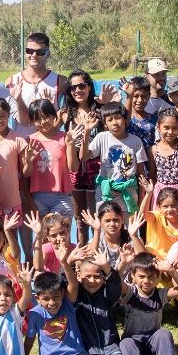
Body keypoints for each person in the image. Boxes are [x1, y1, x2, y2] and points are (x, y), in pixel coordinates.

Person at [67, 247, 153, 355]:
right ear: (79, 276)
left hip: (110, 343)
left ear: (103, 278)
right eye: (88, 276)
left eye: (97, 276)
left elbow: (115, 283)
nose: (92, 280)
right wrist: (69, 262)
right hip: (88, 349)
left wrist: (107, 267)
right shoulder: (76, 297)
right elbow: (65, 283)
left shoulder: (107, 295)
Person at [26, 269, 111, 355]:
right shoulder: (35, 314)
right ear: (37, 299)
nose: (52, 302)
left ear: (63, 294)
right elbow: (29, 338)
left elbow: (73, 284)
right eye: (46, 299)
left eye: (56, 297)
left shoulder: (68, 305)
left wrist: (65, 262)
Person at [117, 254, 178, 355]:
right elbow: (115, 282)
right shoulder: (130, 293)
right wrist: (123, 264)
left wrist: (171, 271)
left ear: (158, 276)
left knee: (163, 333)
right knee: (125, 343)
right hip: (134, 344)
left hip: (154, 344)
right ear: (133, 276)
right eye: (141, 276)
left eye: (151, 276)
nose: (146, 281)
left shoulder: (160, 294)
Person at [75, 102, 148, 213]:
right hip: (105, 193)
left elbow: (141, 172)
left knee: (129, 229)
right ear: (105, 124)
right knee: (107, 226)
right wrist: (87, 131)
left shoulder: (135, 141)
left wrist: (141, 201)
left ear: (125, 120)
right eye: (110, 120)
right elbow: (83, 157)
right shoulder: (102, 137)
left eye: (118, 118)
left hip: (128, 194)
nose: (114, 123)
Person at [59, 69, 105, 236]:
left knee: (95, 216)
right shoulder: (66, 113)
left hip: (96, 170)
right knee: (79, 218)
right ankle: (82, 253)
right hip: (76, 171)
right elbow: (47, 125)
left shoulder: (99, 111)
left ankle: (98, 252)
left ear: (89, 87)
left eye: (81, 86)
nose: (77, 90)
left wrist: (107, 103)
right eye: (73, 88)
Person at [0, 97, 30, 258]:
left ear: (9, 115)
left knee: (11, 241)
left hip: (11, 197)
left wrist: (29, 161)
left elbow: (25, 172)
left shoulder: (18, 140)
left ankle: (13, 275)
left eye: (3, 116)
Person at [25, 98, 78, 219]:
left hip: (61, 196)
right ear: (32, 121)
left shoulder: (65, 138)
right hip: (38, 197)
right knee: (43, 236)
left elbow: (73, 168)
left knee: (62, 236)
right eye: (38, 119)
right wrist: (28, 162)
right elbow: (26, 174)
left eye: (47, 116)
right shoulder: (29, 141)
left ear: (54, 116)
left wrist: (70, 144)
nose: (43, 122)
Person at [7, 32, 67, 128]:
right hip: (21, 141)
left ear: (48, 54)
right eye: (29, 51)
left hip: (49, 141)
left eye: (40, 52)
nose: (34, 55)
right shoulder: (12, 81)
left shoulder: (61, 82)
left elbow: (68, 113)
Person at [150, 99, 178, 207]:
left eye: (174, 128)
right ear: (158, 127)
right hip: (161, 193)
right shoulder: (154, 149)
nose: (170, 132)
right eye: (166, 128)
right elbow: (152, 175)